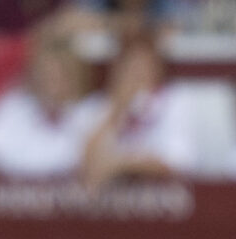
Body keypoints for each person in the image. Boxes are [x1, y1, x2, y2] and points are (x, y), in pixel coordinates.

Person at [0, 32, 106, 178]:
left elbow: (97, 163)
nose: (52, 83)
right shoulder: (14, 108)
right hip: (14, 193)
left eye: (61, 74)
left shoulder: (94, 112)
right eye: (47, 74)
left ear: (77, 75)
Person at [79, 32, 201, 186]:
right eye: (130, 65)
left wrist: (122, 165)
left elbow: (178, 161)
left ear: (158, 67)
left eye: (144, 64)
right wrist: (117, 109)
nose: (137, 73)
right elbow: (84, 165)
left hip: (163, 197)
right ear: (117, 68)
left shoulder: (176, 100)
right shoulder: (96, 104)